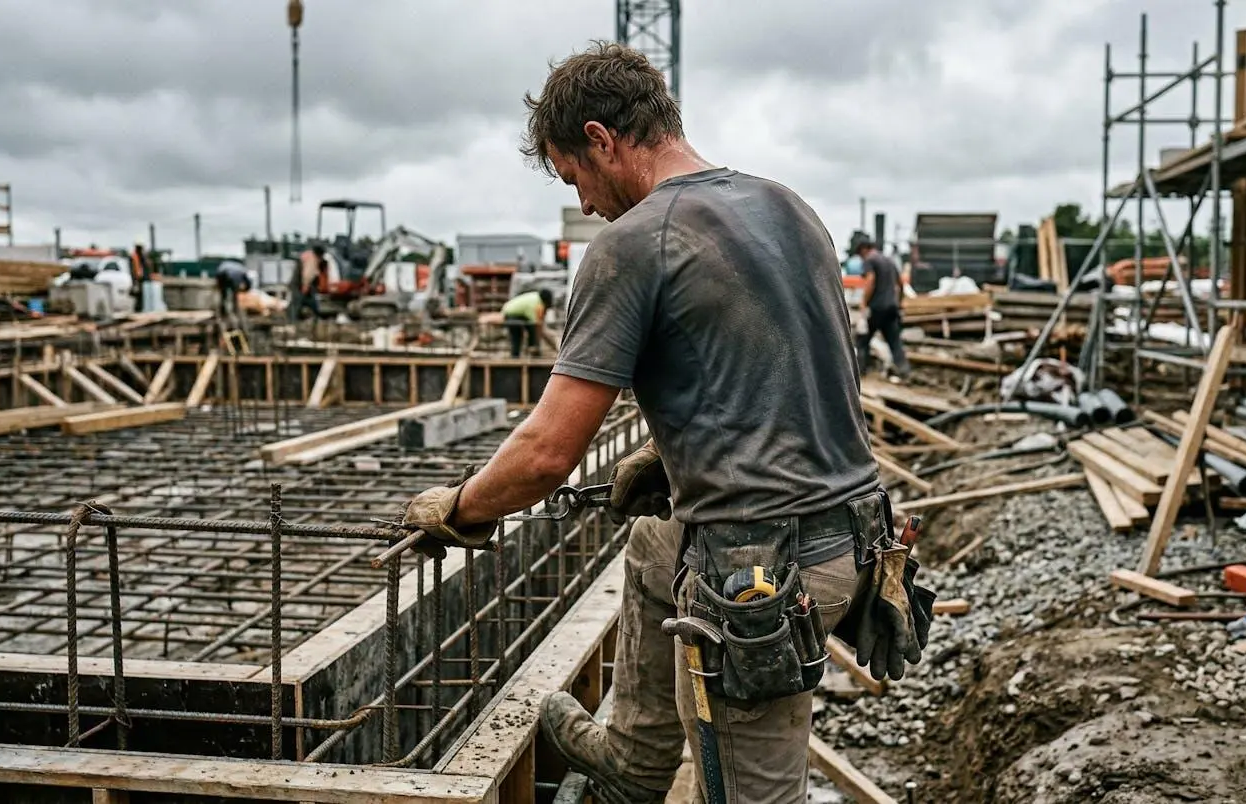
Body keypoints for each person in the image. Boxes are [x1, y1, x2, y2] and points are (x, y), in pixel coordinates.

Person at [395, 42, 931, 803]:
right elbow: (793, 374)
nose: (582, 202)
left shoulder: (631, 244)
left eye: (574, 175)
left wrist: (457, 509)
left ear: (602, 140)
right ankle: (636, 756)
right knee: (655, 540)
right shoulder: (787, 206)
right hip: (856, 538)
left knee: (755, 794)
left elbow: (547, 453)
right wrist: (668, 451)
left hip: (767, 581)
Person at [855, 233, 910, 378]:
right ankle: (904, 371)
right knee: (895, 342)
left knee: (862, 340)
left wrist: (863, 303)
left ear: (863, 250)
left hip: (876, 308)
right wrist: (899, 302)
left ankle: (860, 371)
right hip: (891, 308)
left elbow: (870, 280)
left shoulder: (870, 260)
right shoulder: (889, 261)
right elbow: (901, 283)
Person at [500, 288, 553, 357]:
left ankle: (532, 349)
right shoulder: (536, 303)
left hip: (518, 314)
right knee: (518, 334)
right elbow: (536, 324)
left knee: (531, 328)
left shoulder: (536, 297)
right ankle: (518, 355)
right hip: (511, 315)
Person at [290, 245, 325, 322]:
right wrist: (305, 285)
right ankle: (293, 321)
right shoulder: (312, 259)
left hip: (297, 283)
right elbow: (308, 274)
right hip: (300, 284)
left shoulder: (307, 255)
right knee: (297, 303)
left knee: (300, 302)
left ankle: (295, 319)